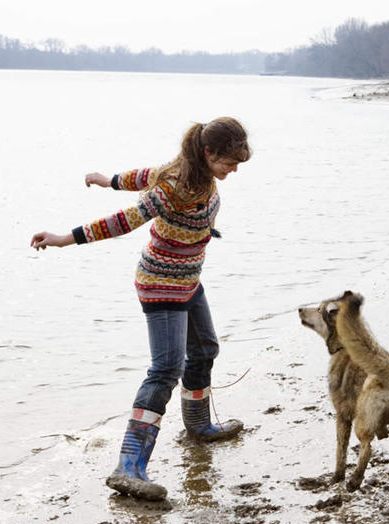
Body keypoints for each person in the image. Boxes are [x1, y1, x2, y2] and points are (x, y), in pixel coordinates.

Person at [31, 117, 251, 502]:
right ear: (208, 153)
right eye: (229, 163)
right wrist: (65, 239)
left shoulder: (192, 171)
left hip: (187, 279)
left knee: (204, 350)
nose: (233, 171)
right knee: (166, 368)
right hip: (160, 283)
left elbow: (141, 175)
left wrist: (108, 180)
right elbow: (124, 221)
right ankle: (128, 466)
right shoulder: (173, 186)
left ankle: (199, 426)